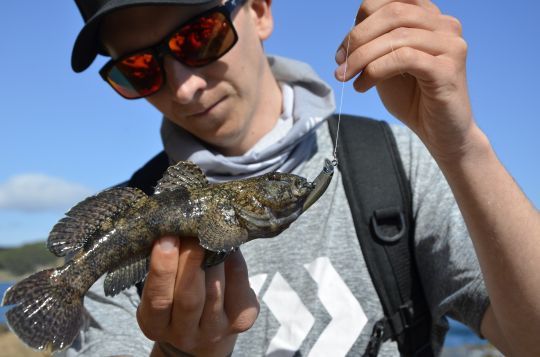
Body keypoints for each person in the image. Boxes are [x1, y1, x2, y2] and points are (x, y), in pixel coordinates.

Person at [60, 0, 540, 356]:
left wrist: (461, 148)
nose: (184, 84)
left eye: (199, 36)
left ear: (260, 10)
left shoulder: (397, 160)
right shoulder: (116, 232)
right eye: (139, 69)